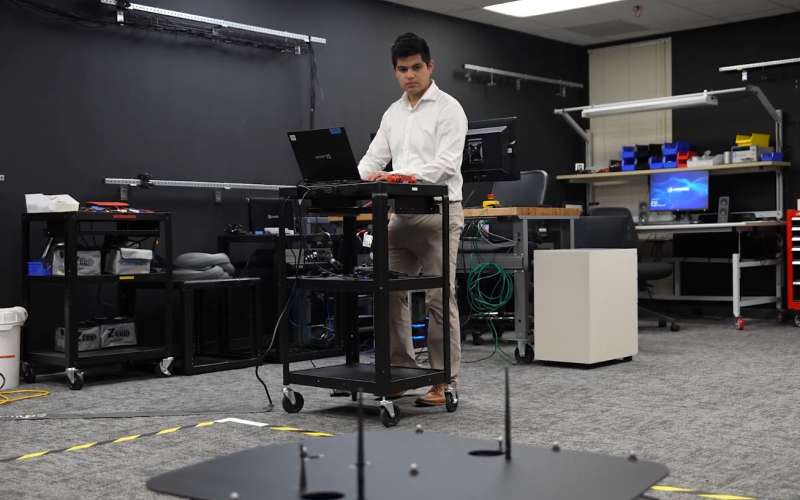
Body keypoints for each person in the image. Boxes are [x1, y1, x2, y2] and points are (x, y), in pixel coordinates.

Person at [358, 32, 467, 406]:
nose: (410, 75)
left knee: (439, 299)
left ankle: (444, 382)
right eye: (402, 69)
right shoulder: (392, 113)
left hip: (439, 213)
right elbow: (372, 159)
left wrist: (400, 177)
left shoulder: (449, 108)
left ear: (430, 66)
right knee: (387, 296)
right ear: (395, 72)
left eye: (416, 67)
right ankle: (400, 374)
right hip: (400, 216)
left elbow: (446, 165)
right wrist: (355, 178)